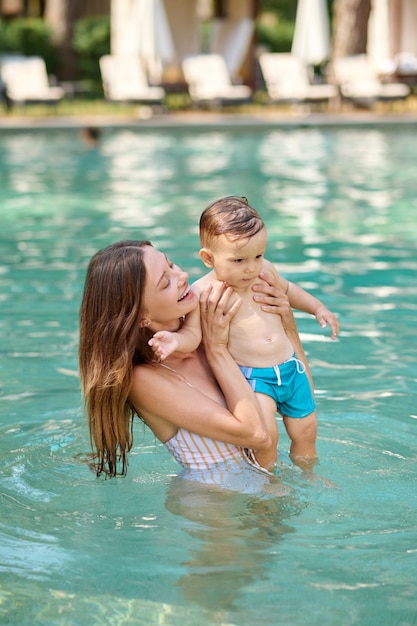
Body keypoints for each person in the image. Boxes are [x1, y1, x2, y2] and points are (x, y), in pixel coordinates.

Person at [78, 239, 308, 491]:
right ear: (141, 316)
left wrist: (286, 320)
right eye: (165, 282)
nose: (183, 275)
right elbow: (257, 435)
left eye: (172, 265)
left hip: (272, 488)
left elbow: (301, 389)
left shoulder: (208, 327)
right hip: (219, 510)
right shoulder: (143, 380)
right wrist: (217, 351)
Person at [149, 196, 340, 471]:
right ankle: (268, 480)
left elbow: (289, 290)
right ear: (208, 258)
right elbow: (193, 335)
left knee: (307, 430)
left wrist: (318, 308)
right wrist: (175, 340)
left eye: (258, 256)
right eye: (238, 260)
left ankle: (308, 474)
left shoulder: (264, 271)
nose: (251, 267)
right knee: (266, 438)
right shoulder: (204, 294)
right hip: (254, 376)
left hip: (290, 368)